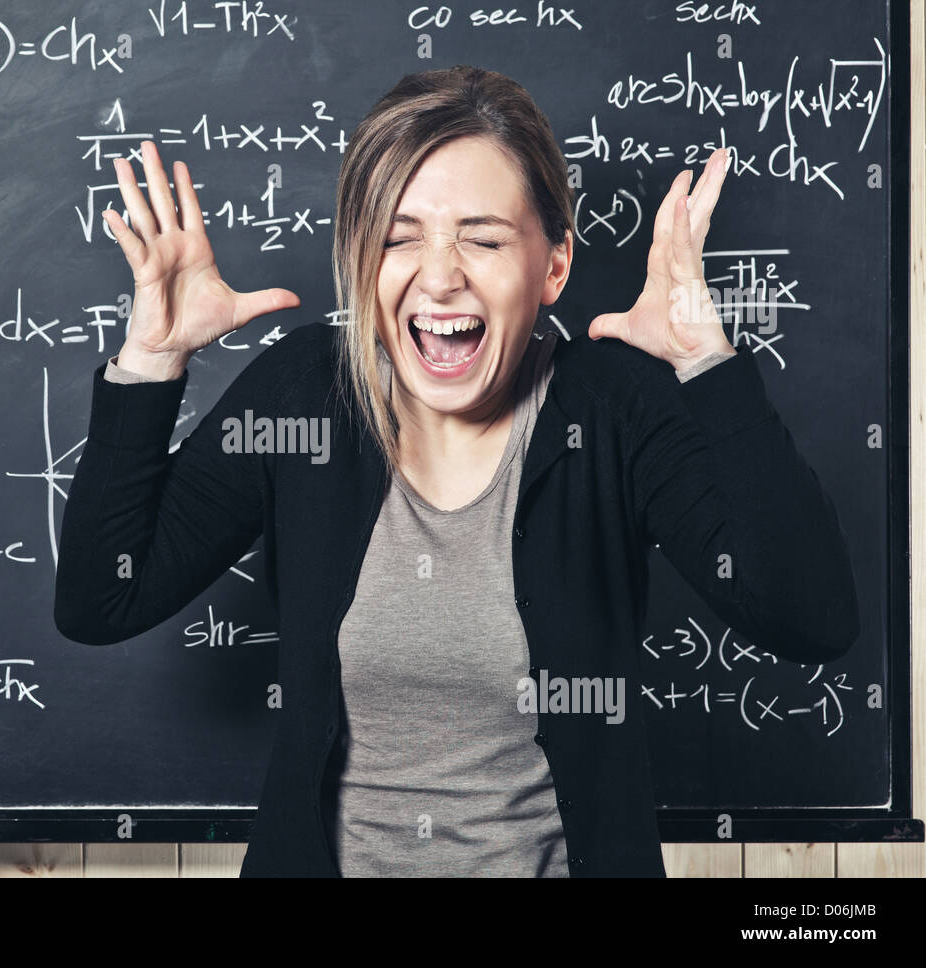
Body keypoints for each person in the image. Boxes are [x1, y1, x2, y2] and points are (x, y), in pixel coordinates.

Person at [54, 66, 859, 877]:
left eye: (482, 237)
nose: (440, 277)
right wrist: (151, 360)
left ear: (553, 267)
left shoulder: (613, 409)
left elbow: (812, 619)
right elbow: (102, 599)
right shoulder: (307, 394)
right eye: (400, 237)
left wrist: (706, 363)